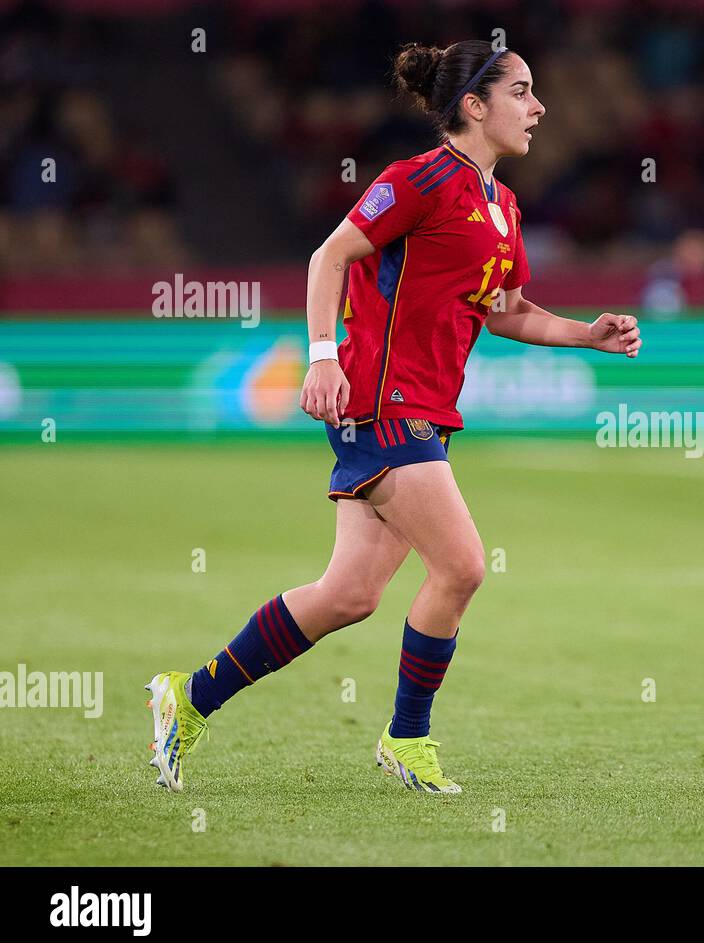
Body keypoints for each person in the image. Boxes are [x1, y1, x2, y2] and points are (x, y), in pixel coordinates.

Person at [145, 40, 642, 794]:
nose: (538, 108)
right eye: (522, 92)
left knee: (348, 596)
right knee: (464, 566)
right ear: (474, 106)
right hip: (381, 402)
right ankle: (408, 739)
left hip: (426, 411)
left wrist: (586, 334)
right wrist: (320, 355)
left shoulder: (503, 207)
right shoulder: (419, 179)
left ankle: (189, 697)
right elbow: (329, 257)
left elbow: (504, 312)